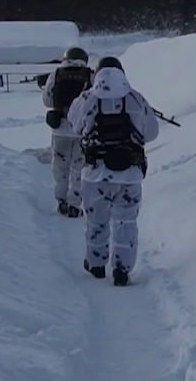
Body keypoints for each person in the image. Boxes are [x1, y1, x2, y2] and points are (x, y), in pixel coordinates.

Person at [70, 56, 159, 286]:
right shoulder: (136, 99)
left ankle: (96, 264)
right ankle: (122, 270)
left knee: (96, 220)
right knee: (125, 221)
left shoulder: (87, 99)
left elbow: (75, 125)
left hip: (94, 174)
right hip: (129, 174)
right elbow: (151, 132)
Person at [42, 46, 94, 217]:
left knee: (60, 167)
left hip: (60, 128)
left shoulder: (56, 75)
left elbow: (48, 100)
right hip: (81, 129)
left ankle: (61, 201)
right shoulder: (89, 75)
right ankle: (75, 204)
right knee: (79, 168)